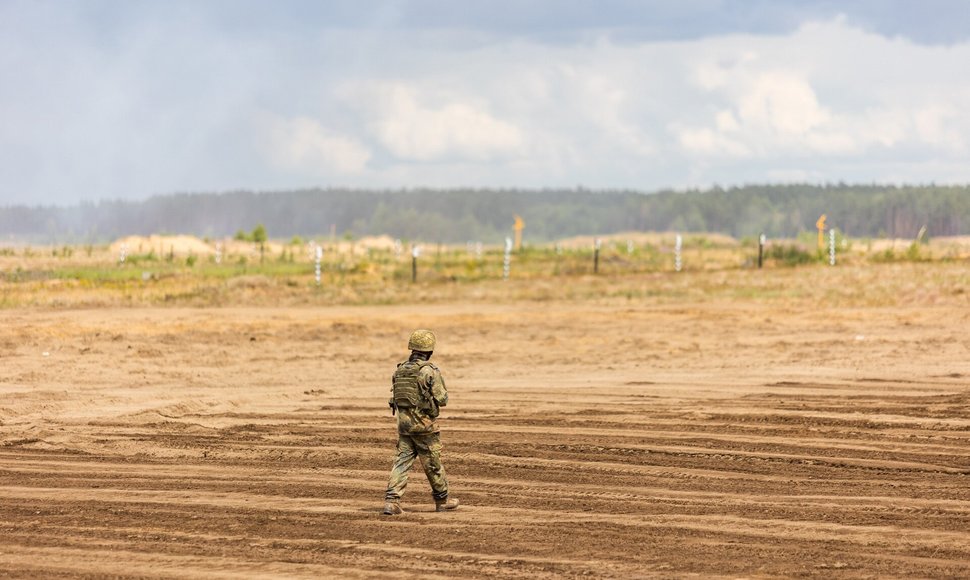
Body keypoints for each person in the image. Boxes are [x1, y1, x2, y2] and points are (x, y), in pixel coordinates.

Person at [382, 329, 459, 515]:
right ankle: (442, 500)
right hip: (424, 427)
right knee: (433, 463)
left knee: (401, 463)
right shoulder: (429, 371)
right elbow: (442, 399)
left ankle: (392, 501)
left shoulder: (399, 370)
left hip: (404, 427)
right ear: (430, 351)